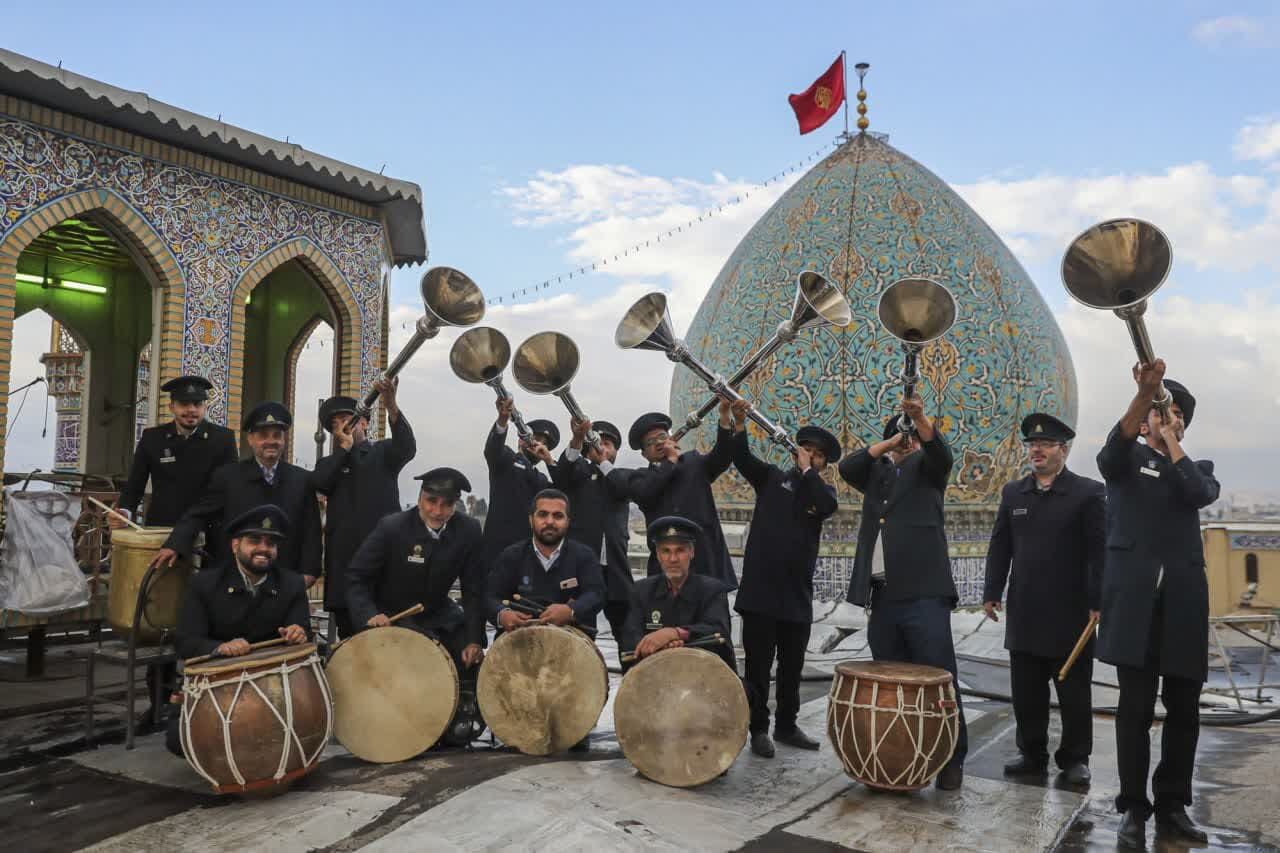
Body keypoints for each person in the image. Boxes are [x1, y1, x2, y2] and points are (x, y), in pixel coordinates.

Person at [1097, 364, 1218, 849]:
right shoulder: (1125, 463)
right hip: (1134, 607)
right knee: (1134, 710)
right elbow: (1110, 452)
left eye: (1175, 415)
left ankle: (1172, 804)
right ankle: (1133, 806)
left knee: (1184, 708)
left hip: (1184, 607)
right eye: (1159, 413)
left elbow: (1198, 493)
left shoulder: (1197, 468)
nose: (1166, 419)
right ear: (1143, 419)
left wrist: (1173, 444)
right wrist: (1144, 397)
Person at [837, 394, 965, 791]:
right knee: (890, 679)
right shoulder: (876, 475)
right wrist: (890, 443)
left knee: (938, 676)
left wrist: (920, 421)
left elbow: (942, 454)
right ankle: (900, 753)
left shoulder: (928, 471)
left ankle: (950, 759)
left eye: (909, 439)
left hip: (923, 593)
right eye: (900, 438)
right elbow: (848, 466)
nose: (906, 443)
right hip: (884, 596)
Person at [983, 413, 1105, 785]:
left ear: (1063, 451)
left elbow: (1099, 552)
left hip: (1071, 614)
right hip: (1026, 611)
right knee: (1027, 693)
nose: (1036, 450)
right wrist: (991, 591)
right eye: (1032, 445)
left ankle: (1074, 758)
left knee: (1074, 694)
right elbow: (1000, 545)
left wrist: (1098, 602)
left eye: (1045, 444)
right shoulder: (1014, 493)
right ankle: (1031, 753)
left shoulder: (1088, 493)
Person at [728, 399, 839, 758]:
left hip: (795, 595)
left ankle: (787, 725)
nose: (811, 456)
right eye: (807, 450)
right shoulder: (773, 479)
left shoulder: (822, 492)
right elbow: (743, 460)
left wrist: (809, 474)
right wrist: (739, 423)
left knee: (791, 667)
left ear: (823, 463)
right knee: (758, 666)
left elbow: (825, 504)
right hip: (761, 593)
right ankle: (758, 727)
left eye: (818, 455)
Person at [168, 504, 311, 756]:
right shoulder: (204, 584)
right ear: (236, 545)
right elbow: (185, 641)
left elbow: (304, 633)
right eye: (254, 540)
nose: (263, 549)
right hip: (218, 684)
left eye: (271, 543)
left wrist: (298, 633)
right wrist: (219, 648)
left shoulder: (292, 584)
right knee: (180, 743)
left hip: (273, 688)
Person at [158, 402, 323, 583]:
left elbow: (311, 533)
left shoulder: (302, 480)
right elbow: (198, 515)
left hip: (283, 582)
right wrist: (175, 544)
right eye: (263, 435)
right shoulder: (227, 477)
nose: (271, 441)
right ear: (250, 439)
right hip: (232, 581)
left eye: (277, 435)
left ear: (284, 440)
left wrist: (309, 573)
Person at [345, 467, 486, 672]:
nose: (437, 512)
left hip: (440, 617)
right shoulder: (391, 528)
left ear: (455, 504)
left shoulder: (469, 530)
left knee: (471, 664)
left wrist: (474, 640)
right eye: (431, 501)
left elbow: (473, 590)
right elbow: (357, 578)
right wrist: (370, 614)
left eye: (447, 505)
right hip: (392, 618)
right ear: (420, 498)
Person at [310, 378, 416, 638]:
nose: (344, 426)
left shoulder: (383, 453)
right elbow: (322, 484)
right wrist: (343, 451)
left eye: (350, 419)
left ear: (366, 423)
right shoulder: (328, 463)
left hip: (382, 568)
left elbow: (407, 447)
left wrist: (390, 404)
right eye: (337, 424)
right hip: (344, 569)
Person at [609, 404, 736, 589]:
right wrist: (670, 461)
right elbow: (647, 492)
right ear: (644, 454)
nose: (659, 443)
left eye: (662, 437)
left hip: (706, 569)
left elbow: (723, 456)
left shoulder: (694, 463)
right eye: (651, 442)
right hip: (665, 575)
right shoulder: (639, 478)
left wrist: (725, 416)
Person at [112, 375, 237, 530]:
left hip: (207, 532)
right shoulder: (152, 438)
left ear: (205, 407)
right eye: (184, 403)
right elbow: (134, 485)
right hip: (162, 529)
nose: (191, 409)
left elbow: (229, 489)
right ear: (172, 407)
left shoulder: (223, 439)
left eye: (197, 404)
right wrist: (125, 512)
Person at [551, 417, 632, 642]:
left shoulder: (621, 476)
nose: (601, 447)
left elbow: (622, 488)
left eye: (608, 444)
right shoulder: (578, 474)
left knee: (627, 633)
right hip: (581, 570)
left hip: (615, 570)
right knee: (579, 634)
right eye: (597, 442)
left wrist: (604, 464)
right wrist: (578, 438)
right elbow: (562, 474)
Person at [620, 516, 735, 673]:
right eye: (666, 551)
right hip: (656, 674)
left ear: (691, 552)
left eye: (680, 550)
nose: (673, 559)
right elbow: (629, 636)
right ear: (658, 555)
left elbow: (717, 630)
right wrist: (654, 645)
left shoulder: (712, 590)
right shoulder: (641, 591)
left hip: (700, 676)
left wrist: (675, 633)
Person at [487, 488, 605, 638]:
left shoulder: (584, 556)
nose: (549, 521)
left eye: (558, 516)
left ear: (567, 522)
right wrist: (502, 614)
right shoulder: (511, 556)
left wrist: (571, 610)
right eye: (542, 515)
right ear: (531, 520)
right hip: (518, 643)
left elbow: (597, 594)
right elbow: (490, 596)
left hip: (573, 645)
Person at [481, 396, 559, 569]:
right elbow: (493, 450)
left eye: (545, 444)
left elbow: (565, 492)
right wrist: (502, 420)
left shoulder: (542, 480)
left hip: (529, 559)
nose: (538, 444)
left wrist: (550, 461)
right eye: (535, 438)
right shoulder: (506, 459)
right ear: (521, 438)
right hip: (496, 554)